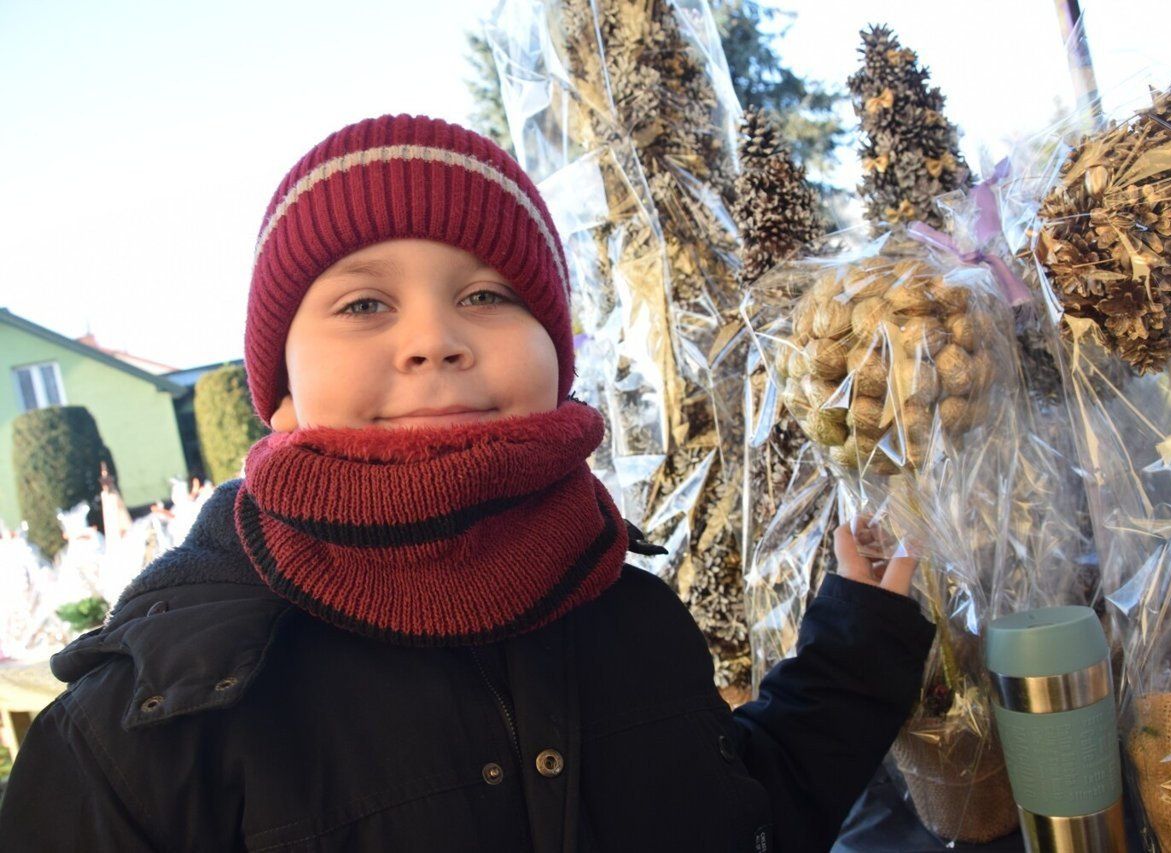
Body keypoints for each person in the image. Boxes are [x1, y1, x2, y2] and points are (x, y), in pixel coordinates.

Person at [0, 115, 934, 852]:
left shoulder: (634, 616)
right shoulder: (157, 718)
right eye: (364, 304)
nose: (433, 338)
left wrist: (858, 650)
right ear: (279, 396)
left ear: (556, 357)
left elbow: (750, 818)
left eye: (488, 294)